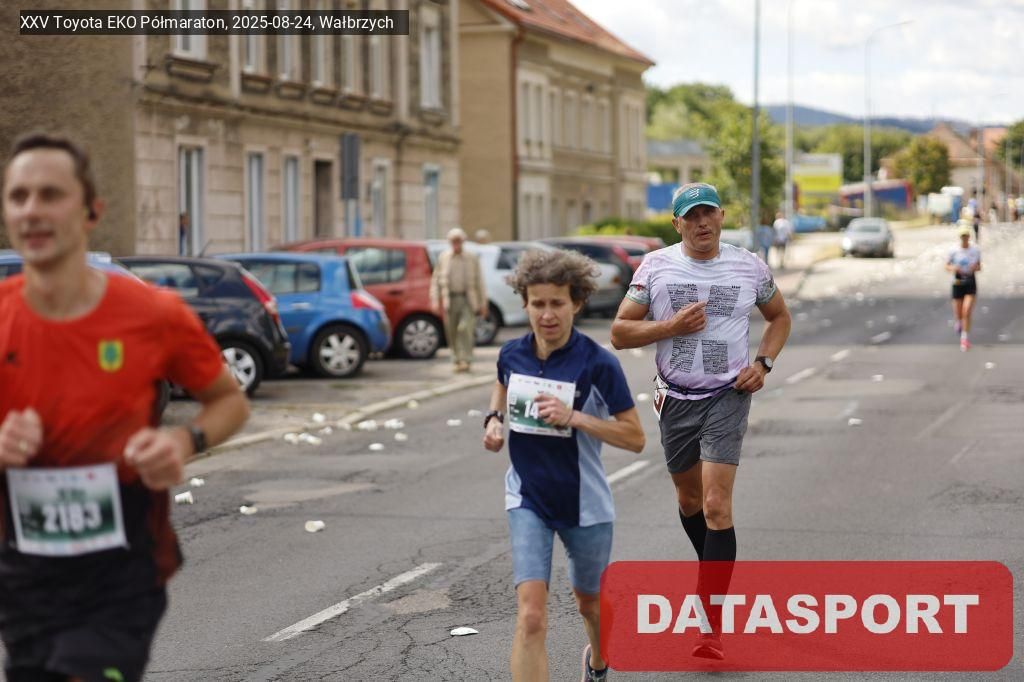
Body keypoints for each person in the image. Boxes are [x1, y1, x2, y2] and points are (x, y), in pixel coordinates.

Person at [0, 133, 250, 682]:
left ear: (92, 211)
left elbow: (228, 400)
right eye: (18, 196)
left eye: (50, 194)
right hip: (22, 570)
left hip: (123, 566)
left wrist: (184, 440)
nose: (32, 210)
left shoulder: (153, 314)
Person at [610, 182, 792, 660]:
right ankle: (714, 568)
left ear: (722, 216)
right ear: (677, 224)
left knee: (715, 505)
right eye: (691, 216)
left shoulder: (749, 266)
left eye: (708, 212)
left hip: (728, 395)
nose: (701, 223)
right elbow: (620, 332)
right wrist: (669, 327)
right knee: (689, 500)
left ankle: (710, 622)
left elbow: (779, 317)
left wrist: (763, 364)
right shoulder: (656, 267)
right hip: (675, 398)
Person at [482, 248, 644, 682]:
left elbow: (635, 438)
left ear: (577, 302)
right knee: (531, 616)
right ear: (525, 304)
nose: (547, 314)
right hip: (528, 498)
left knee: (588, 603)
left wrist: (575, 417)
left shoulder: (598, 364)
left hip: (585, 504)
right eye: (538, 303)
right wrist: (494, 419)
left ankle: (599, 662)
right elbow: (501, 383)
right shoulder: (512, 354)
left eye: (557, 303)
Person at [431, 227, 487, 373]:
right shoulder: (444, 257)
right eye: (453, 241)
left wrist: (483, 303)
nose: (456, 244)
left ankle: (467, 359)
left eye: (458, 241)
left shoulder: (471, 258)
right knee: (451, 331)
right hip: (450, 299)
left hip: (467, 299)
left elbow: (480, 282)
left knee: (465, 328)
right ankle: (456, 360)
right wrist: (435, 300)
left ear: (463, 241)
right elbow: (435, 280)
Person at [946, 225, 981, 351]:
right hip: (957, 282)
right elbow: (946, 266)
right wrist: (954, 268)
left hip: (970, 282)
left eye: (966, 236)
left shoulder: (975, 250)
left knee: (966, 311)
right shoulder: (953, 250)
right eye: (962, 236)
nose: (964, 238)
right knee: (959, 313)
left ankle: (964, 338)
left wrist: (974, 267)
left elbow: (979, 266)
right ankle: (959, 322)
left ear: (969, 237)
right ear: (960, 237)